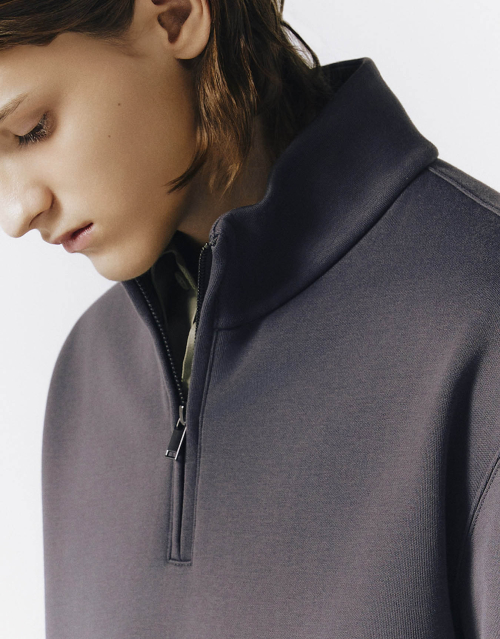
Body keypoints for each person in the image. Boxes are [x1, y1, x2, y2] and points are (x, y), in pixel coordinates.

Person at [0, 0, 499, 637]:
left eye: (32, 130)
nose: (16, 213)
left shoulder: (478, 318)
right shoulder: (90, 373)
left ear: (176, 16)